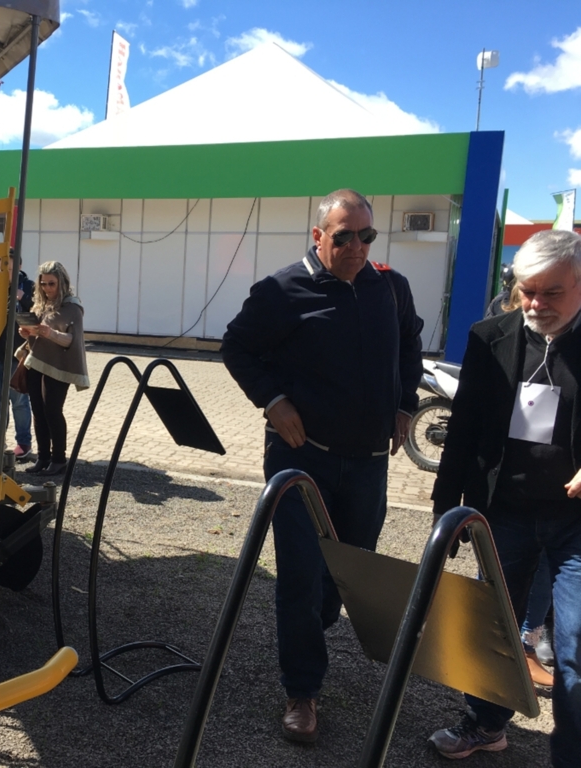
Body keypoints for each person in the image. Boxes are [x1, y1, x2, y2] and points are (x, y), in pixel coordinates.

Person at [221, 189, 423, 743]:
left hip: (367, 465)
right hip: (300, 460)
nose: (356, 246)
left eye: (366, 236)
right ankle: (302, 690)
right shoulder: (282, 290)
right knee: (301, 575)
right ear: (318, 236)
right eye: (343, 236)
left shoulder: (391, 288)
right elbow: (237, 348)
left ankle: (312, 623)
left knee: (346, 573)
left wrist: (406, 403)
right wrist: (272, 400)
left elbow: (411, 343)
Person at [428, 229, 581, 764]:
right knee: (493, 625)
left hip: (574, 520)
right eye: (526, 291)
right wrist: (445, 509)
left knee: (576, 644)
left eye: (551, 293)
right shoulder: (489, 336)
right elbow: (464, 426)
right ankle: (486, 723)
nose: (536, 304)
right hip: (505, 513)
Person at [483, 268, 556, 688]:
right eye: (529, 290)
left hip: (560, 494)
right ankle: (487, 706)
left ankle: (530, 640)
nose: (538, 302)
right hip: (507, 486)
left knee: (544, 566)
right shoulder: (499, 324)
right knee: (498, 578)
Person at [18, 260, 89, 477]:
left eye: (52, 284)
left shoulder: (72, 307)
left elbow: (72, 340)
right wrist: (27, 334)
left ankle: (59, 460)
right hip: (36, 363)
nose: (47, 288)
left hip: (59, 367)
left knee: (52, 411)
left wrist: (50, 334)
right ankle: (43, 458)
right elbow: (38, 334)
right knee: (38, 412)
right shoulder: (41, 305)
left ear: (62, 283)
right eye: (44, 284)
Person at [0, 256, 35, 461]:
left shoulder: (30, 287)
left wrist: (23, 297)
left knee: (20, 401)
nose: (7, 272)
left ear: (20, 266)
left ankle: (24, 443)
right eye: (2, 268)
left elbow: (37, 314)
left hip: (17, 354)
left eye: (11, 268)